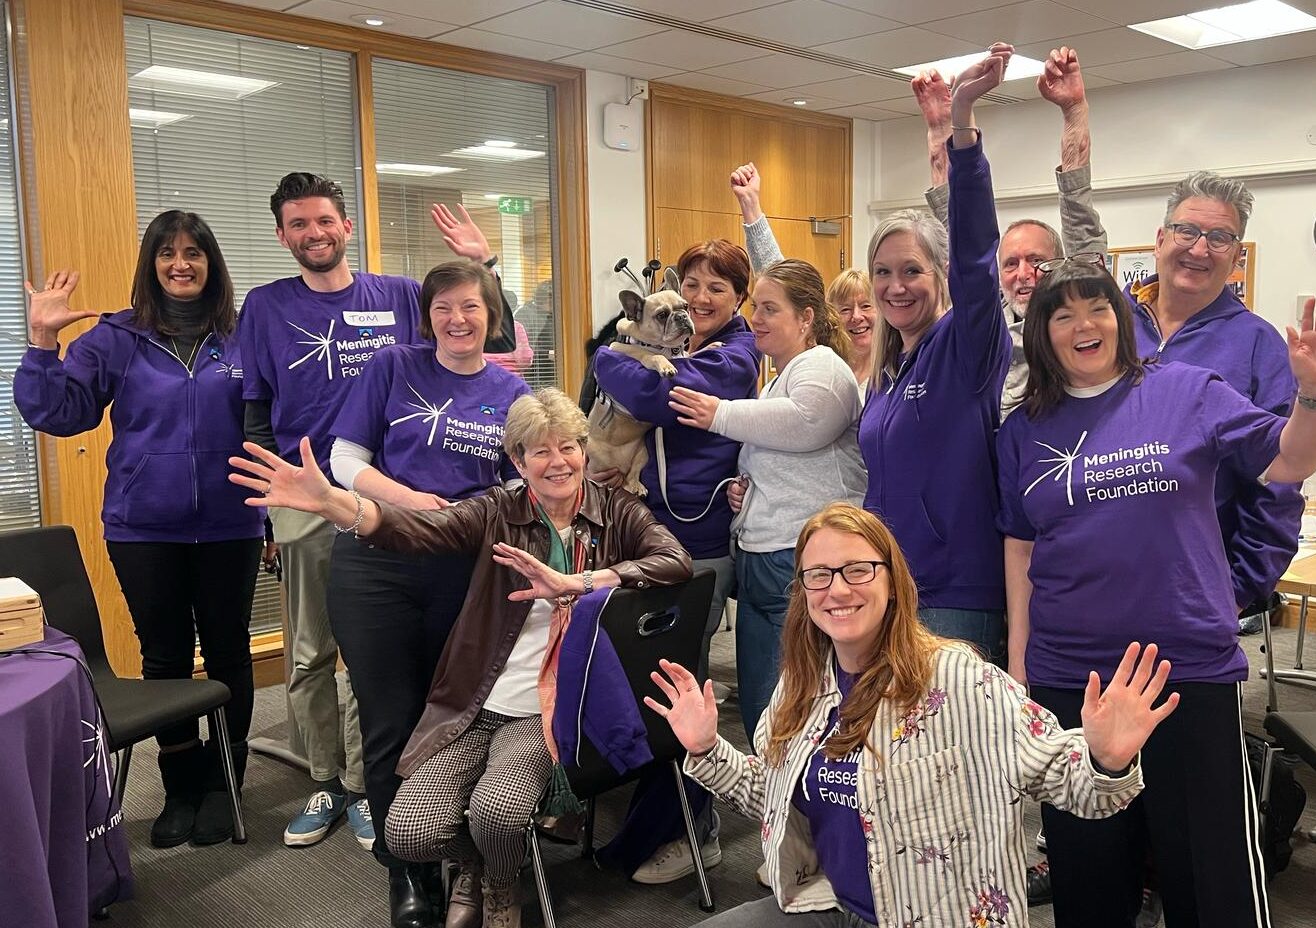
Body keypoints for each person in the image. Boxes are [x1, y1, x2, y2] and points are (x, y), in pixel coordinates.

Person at [229, 388, 692, 928]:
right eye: (539, 451)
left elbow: (675, 560)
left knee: (499, 810)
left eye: (568, 447)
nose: (558, 462)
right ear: (517, 461)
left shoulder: (617, 512)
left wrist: (580, 582)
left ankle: (500, 884)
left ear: (585, 452)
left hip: (548, 703)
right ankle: (473, 865)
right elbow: (417, 528)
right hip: (477, 696)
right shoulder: (498, 510)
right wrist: (335, 503)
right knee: (408, 829)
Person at [999, 263, 1316, 927]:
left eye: (1096, 308)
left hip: (1183, 664)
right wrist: (1021, 665)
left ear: (1123, 318)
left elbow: (1289, 462)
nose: (1083, 325)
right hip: (1073, 674)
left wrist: (1315, 396)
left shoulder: (1187, 390)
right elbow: (1020, 547)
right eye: (1062, 314)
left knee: (1207, 873)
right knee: (1088, 867)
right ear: (1042, 334)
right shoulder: (1026, 427)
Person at [646, 501, 1179, 928]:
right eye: (819, 575)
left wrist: (1106, 761)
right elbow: (777, 801)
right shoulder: (800, 689)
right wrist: (705, 749)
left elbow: (1078, 790)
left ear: (892, 581)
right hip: (832, 905)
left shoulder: (960, 680)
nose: (838, 588)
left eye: (857, 569)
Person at [239, 174, 515, 850]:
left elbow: (477, 329)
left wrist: (487, 263)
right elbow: (252, 405)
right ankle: (326, 779)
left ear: (347, 226)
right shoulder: (266, 305)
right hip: (313, 493)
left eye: (325, 221)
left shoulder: (397, 295)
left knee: (379, 662)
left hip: (399, 512)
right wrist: (281, 503)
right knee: (310, 653)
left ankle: (368, 787)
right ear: (283, 235)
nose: (315, 233)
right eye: (299, 224)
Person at [16, 211, 261, 848]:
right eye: (168, 253)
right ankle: (180, 783)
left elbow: (278, 417)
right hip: (143, 526)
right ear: (150, 264)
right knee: (165, 652)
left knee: (231, 649)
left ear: (212, 263)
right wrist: (43, 342)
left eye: (194, 253)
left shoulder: (243, 338)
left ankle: (226, 780)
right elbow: (58, 412)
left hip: (231, 521)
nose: (182, 264)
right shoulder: (115, 338)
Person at [325, 260, 531, 927]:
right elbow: (345, 461)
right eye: (443, 308)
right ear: (428, 316)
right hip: (374, 561)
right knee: (388, 720)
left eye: (470, 306)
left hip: (461, 573)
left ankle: (462, 857)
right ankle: (407, 875)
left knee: (453, 717)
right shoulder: (390, 367)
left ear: (490, 315)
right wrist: (412, 500)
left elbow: (524, 486)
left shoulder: (512, 392)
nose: (457, 319)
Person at [591, 239, 760, 886]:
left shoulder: (736, 355)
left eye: (716, 287)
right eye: (690, 285)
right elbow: (618, 390)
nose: (699, 299)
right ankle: (658, 820)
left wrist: (609, 357)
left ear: (738, 297)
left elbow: (652, 394)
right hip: (646, 533)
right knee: (649, 681)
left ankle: (696, 832)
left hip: (700, 546)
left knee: (678, 690)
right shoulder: (680, 347)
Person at [668, 258, 865, 745]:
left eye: (770, 309)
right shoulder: (783, 373)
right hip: (764, 554)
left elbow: (804, 423)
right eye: (756, 306)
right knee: (763, 701)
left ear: (806, 318)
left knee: (796, 702)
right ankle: (772, 808)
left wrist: (719, 414)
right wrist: (746, 484)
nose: (756, 317)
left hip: (798, 557)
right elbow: (778, 449)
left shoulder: (822, 367)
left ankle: (802, 812)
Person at [857, 46, 1013, 656]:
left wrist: (962, 124)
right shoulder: (889, 370)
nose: (896, 286)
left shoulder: (964, 345)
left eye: (912, 271)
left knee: (958, 746)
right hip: (891, 583)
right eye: (883, 272)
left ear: (939, 275)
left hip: (957, 592)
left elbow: (977, 254)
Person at [1125, 170, 1304, 637]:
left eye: (1219, 237)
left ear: (1237, 255)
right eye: (1187, 231)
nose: (1199, 249)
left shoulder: (1258, 347)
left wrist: (1239, 587)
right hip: (1091, 583)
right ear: (1161, 238)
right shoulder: (1106, 326)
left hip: (1195, 596)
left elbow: (1278, 485)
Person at [911, 46, 1108, 421]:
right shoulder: (984, 325)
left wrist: (1074, 113)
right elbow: (959, 233)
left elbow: (1080, 217)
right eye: (1011, 264)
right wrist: (940, 131)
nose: (1024, 275)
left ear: (1060, 266)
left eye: (1038, 261)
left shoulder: (1076, 323)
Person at [729, 164, 875, 391]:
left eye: (866, 306)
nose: (857, 317)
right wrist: (750, 206)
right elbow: (779, 281)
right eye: (845, 309)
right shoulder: (822, 364)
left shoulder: (895, 367)